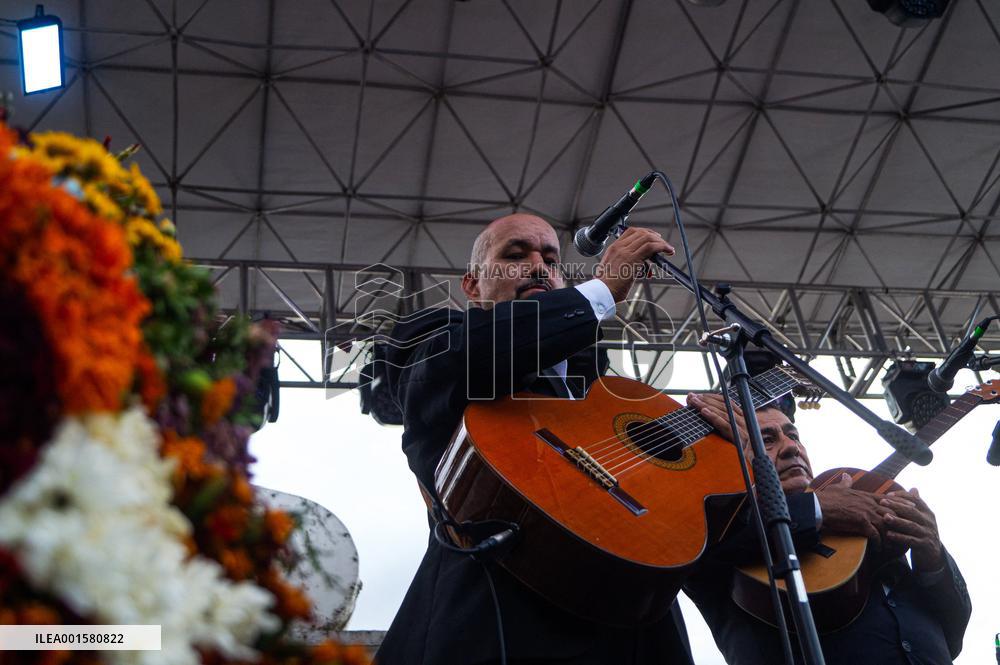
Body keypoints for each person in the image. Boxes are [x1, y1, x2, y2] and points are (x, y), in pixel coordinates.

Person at [375, 213, 695, 665]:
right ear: (472, 286)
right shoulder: (431, 340)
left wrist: (715, 438)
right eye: (514, 254)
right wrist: (602, 289)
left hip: (630, 634)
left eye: (550, 258)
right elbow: (478, 353)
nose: (538, 266)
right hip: (493, 627)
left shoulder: (600, 388)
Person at [683, 392, 972, 665]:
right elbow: (704, 548)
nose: (791, 447)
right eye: (766, 440)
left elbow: (952, 636)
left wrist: (933, 559)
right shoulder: (710, 529)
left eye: (793, 435)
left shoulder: (863, 519)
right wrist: (817, 507)